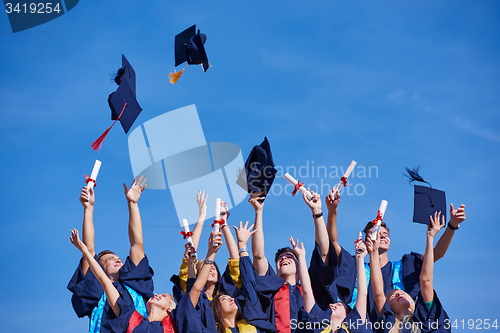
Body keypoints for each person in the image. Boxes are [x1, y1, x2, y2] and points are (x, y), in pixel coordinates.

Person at [325, 189, 466, 308]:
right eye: (376, 234)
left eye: (385, 234)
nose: (382, 237)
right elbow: (332, 242)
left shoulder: (405, 266)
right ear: (366, 241)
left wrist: (452, 226)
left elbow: (437, 254)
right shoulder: (356, 267)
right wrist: (332, 210)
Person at [67, 177, 154, 333]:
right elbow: (89, 248)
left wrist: (132, 204)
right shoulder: (94, 291)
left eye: (117, 257)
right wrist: (88, 208)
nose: (117, 259)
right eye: (109, 259)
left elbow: (137, 243)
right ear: (99, 267)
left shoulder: (135, 284)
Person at [69, 229, 176, 333]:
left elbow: (137, 243)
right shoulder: (132, 319)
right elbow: (104, 281)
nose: (156, 295)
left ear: (169, 309)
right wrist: (85, 251)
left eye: (163, 296)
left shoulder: (175, 326)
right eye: (109, 259)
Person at [368, 212, 451, 333]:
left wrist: (430, 237)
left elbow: (426, 279)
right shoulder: (386, 324)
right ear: (387, 307)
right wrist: (373, 252)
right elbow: (378, 293)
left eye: (385, 234)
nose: (399, 293)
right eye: (393, 296)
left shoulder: (425, 318)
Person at [249, 191, 304, 333]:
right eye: (280, 259)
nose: (284, 259)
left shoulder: (308, 290)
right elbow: (258, 255)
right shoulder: (271, 285)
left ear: (299, 267)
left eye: (289, 257)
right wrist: (258, 211)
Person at [210, 221, 276, 333]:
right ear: (216, 309)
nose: (231, 298)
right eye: (223, 299)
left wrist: (242, 246)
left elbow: (249, 282)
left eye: (228, 297)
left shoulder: (254, 322)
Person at [175, 231, 223, 333]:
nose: (210, 270)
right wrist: (211, 253)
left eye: (213, 268)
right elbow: (195, 286)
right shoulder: (194, 297)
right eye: (205, 268)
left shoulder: (225, 298)